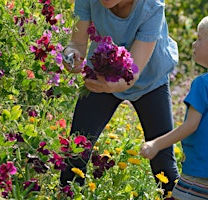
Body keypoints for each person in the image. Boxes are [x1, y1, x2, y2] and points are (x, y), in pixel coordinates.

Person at [60, 0, 179, 195]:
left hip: (150, 80)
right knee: (76, 152)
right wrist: (71, 56)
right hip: (101, 74)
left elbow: (132, 72)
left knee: (163, 163)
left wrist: (110, 85)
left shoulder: (152, 5)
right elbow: (77, 43)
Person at [140, 11, 208, 199]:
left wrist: (156, 144)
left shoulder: (203, 83)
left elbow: (191, 126)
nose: (194, 44)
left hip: (200, 172)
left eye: (200, 39)